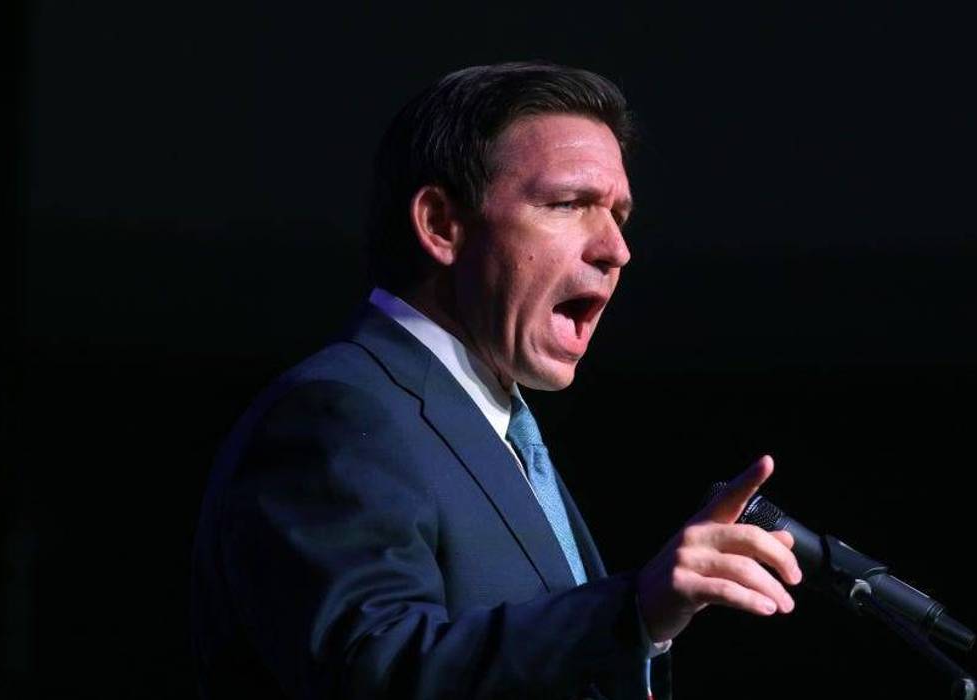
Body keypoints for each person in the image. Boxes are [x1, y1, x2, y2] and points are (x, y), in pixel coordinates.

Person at [191, 62, 802, 700]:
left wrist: (636, 630)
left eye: (619, 215)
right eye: (568, 204)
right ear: (442, 226)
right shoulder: (337, 412)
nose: (616, 250)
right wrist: (632, 612)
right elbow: (373, 672)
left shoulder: (497, 427)